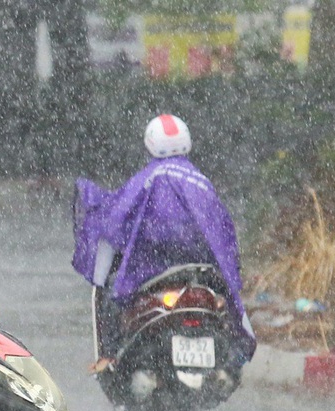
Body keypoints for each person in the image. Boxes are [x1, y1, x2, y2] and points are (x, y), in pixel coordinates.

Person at [72, 113, 256, 372]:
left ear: (150, 143)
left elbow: (116, 216)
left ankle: (109, 357)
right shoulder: (202, 183)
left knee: (112, 295)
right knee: (226, 305)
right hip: (201, 270)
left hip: (152, 267)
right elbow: (223, 233)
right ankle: (233, 358)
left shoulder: (148, 178)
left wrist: (94, 207)